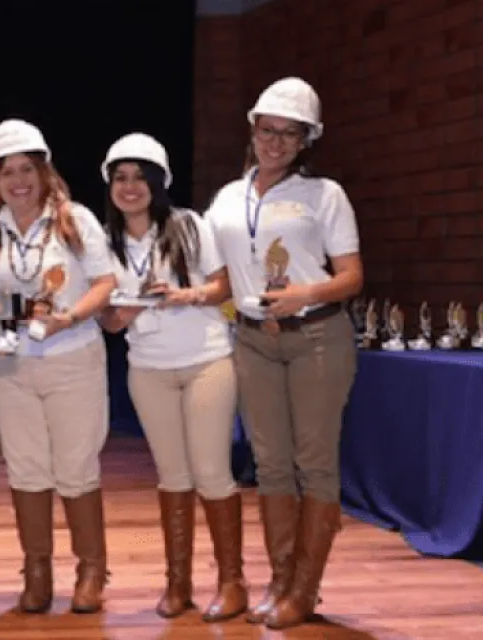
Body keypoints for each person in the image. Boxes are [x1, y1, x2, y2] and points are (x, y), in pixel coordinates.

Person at [205, 77, 362, 630]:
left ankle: (304, 589)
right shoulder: (228, 198)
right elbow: (219, 279)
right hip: (253, 339)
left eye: (288, 134)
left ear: (305, 141)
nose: (275, 142)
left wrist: (304, 293)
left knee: (314, 464)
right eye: (267, 130)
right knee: (270, 465)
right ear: (252, 130)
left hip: (318, 335)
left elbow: (351, 278)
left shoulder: (325, 195)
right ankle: (278, 581)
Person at [0, 119, 116, 614]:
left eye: (27, 169)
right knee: (26, 468)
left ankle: (92, 570)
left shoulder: (76, 219)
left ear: (44, 170)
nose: (18, 181)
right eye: (7, 172)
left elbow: (105, 283)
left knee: (75, 467)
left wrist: (69, 317)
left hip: (73, 359)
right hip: (10, 368)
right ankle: (37, 570)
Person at [96, 133, 246, 622]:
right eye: (120, 177)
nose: (130, 186)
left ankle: (232, 581)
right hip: (148, 369)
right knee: (173, 476)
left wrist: (185, 295)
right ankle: (177, 582)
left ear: (158, 182)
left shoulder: (189, 225)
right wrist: (119, 311)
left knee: (211, 472)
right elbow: (111, 321)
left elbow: (225, 285)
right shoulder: (104, 241)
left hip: (206, 360)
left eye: (140, 177)